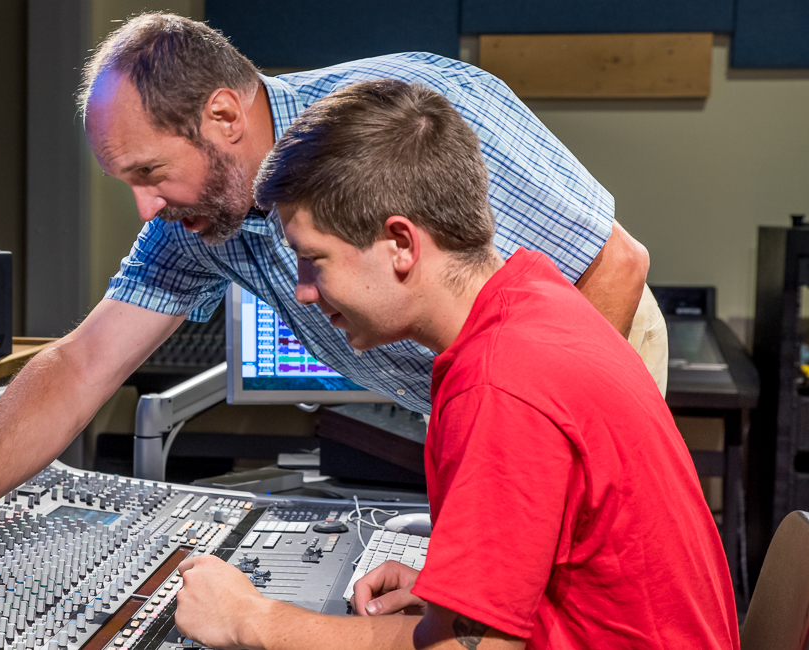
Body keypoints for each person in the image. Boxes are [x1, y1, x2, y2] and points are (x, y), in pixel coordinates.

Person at [0, 13, 662, 591]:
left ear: (223, 116)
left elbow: (614, 264)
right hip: (469, 404)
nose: (146, 210)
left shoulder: (418, 111)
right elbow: (82, 364)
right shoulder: (197, 219)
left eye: (149, 174)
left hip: (587, 358)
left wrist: (514, 492)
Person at [173, 79, 736, 650]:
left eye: (314, 260)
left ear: (401, 243)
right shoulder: (536, 300)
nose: (304, 292)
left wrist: (252, 620)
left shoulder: (499, 384)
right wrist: (451, 597)